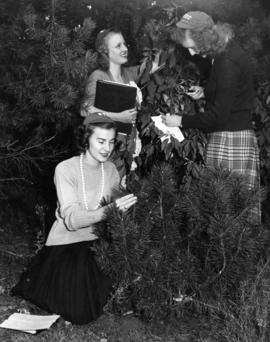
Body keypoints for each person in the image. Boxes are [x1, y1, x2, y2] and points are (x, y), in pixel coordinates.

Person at [12, 112, 138, 325]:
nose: (106, 148)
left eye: (110, 141)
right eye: (100, 141)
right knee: (81, 312)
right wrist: (110, 210)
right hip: (68, 245)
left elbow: (118, 215)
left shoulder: (111, 170)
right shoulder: (66, 169)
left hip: (99, 243)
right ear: (86, 138)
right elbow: (72, 221)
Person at [163, 11, 260, 219]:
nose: (190, 53)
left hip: (231, 140)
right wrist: (205, 91)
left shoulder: (227, 62)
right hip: (231, 136)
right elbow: (232, 92)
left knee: (229, 216)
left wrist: (180, 120)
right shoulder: (223, 52)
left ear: (203, 38)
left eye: (191, 46)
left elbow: (218, 116)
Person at [81, 28, 161, 177]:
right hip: (105, 149)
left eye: (124, 45)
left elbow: (153, 66)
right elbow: (85, 110)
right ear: (105, 51)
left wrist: (157, 41)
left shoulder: (127, 73)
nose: (125, 49)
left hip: (125, 149)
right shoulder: (98, 76)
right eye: (118, 46)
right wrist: (118, 116)